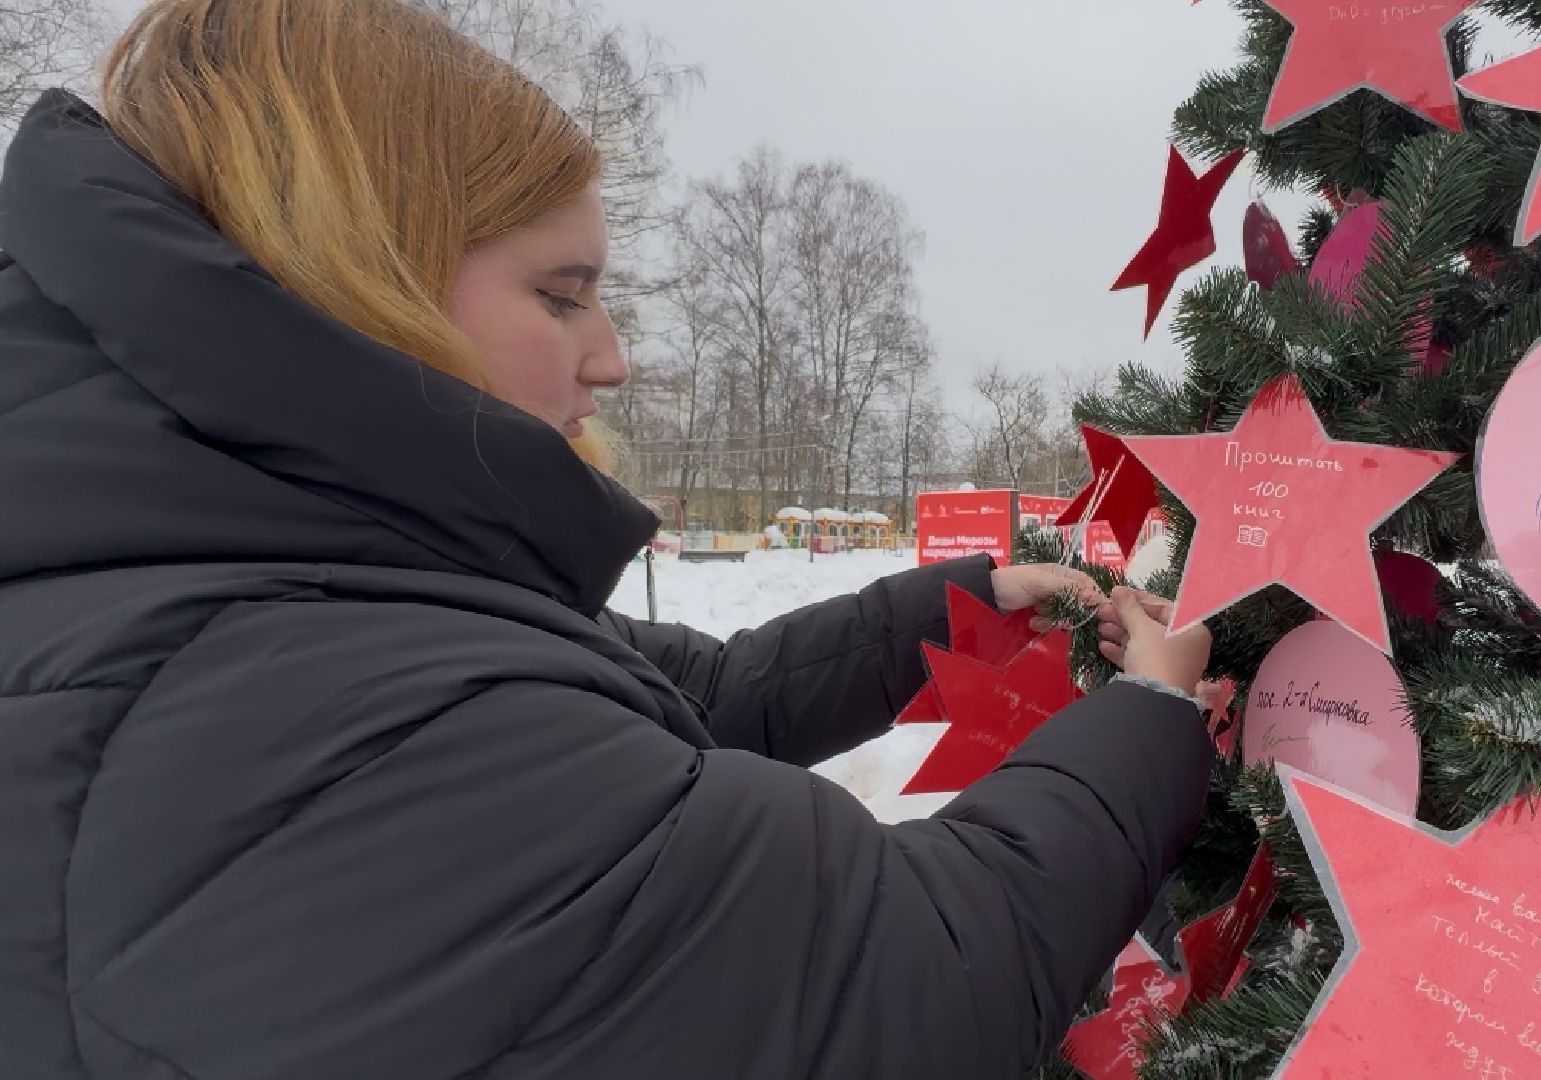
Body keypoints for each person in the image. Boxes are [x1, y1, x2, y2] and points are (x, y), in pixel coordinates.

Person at [0, 1, 1216, 1077]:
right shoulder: (345, 715)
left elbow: (705, 697)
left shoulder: (289, 584)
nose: (612, 357)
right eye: (560, 295)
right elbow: (916, 968)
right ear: (362, 273)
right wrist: (1153, 719)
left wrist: (960, 604)